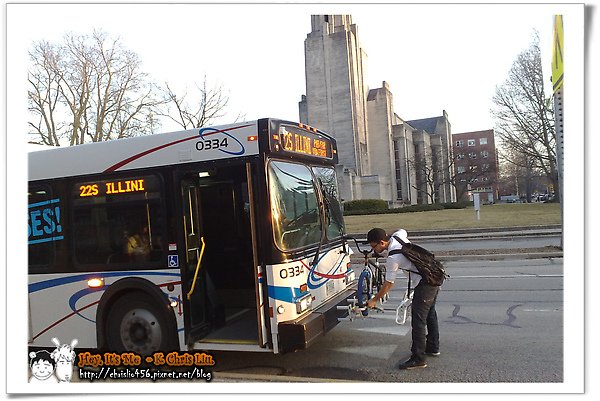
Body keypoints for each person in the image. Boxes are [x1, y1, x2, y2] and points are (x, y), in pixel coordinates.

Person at [366, 227, 440, 370]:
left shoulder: (393, 257)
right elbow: (402, 229)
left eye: (374, 246)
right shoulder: (398, 236)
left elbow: (388, 284)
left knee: (418, 321)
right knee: (430, 313)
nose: (373, 250)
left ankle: (418, 358)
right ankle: (433, 347)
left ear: (382, 242)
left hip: (425, 284)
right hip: (434, 277)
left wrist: (374, 300)